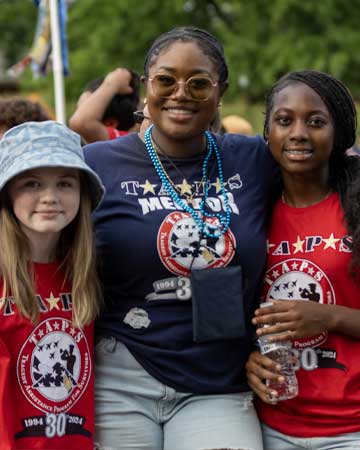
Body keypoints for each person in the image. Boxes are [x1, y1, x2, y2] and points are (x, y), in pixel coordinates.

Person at [84, 26, 277, 450]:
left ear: (219, 91)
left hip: (218, 381)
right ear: (146, 87)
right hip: (122, 374)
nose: (181, 93)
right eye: (166, 80)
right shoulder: (95, 165)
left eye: (199, 83)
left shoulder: (255, 159)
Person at [245, 70, 360, 449]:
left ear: (339, 132)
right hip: (272, 426)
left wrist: (329, 316)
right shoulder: (249, 214)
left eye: (315, 122)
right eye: (284, 120)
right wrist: (247, 360)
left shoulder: (355, 211)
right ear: (267, 132)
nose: (298, 133)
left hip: (350, 427)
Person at [0, 121, 104, 450]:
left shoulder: (87, 272)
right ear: (7, 194)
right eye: (31, 183)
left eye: (64, 183)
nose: (50, 198)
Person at [69, 68, 140, 143]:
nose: (76, 114)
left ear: (110, 124)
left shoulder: (120, 141)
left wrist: (113, 84)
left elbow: (81, 123)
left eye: (82, 110)